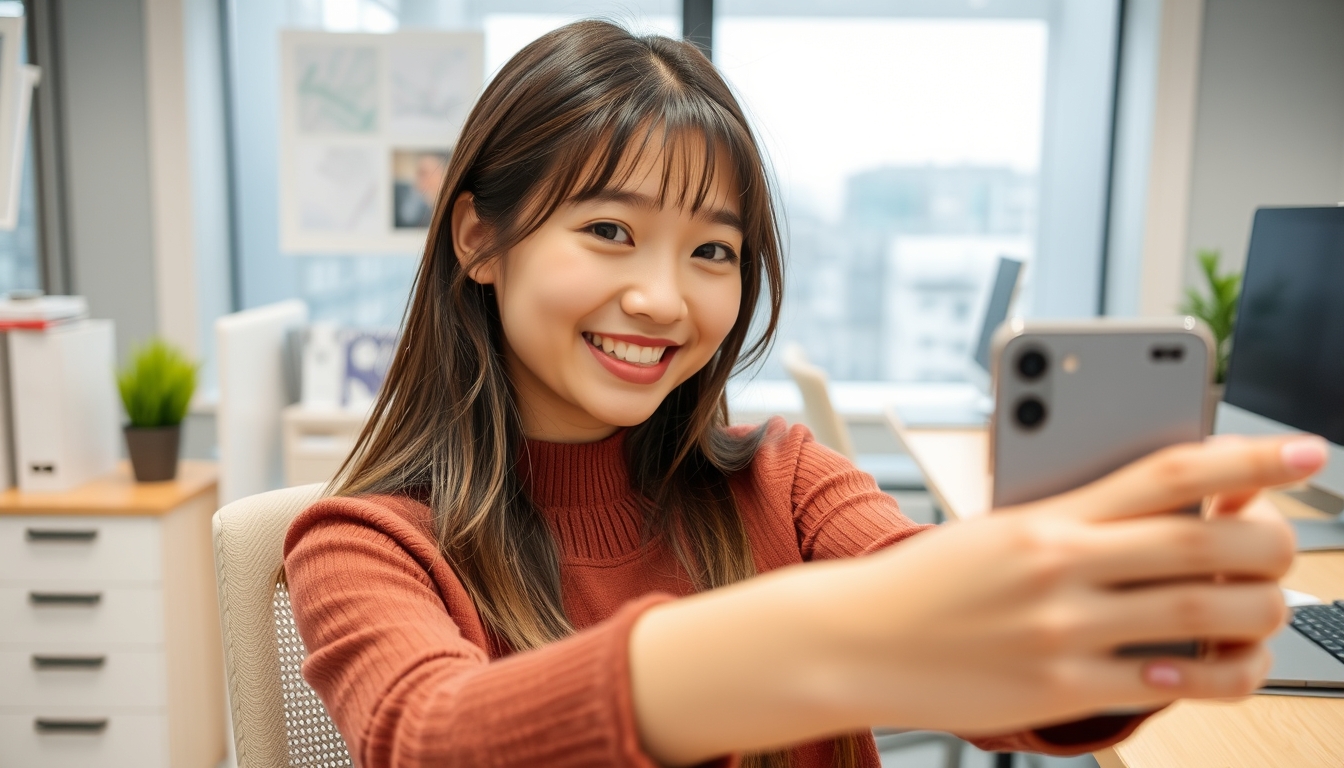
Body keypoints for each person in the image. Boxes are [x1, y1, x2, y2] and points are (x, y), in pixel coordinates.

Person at [284, 20, 1320, 768]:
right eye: (609, 231)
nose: (663, 298)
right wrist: (831, 638)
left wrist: (1105, 642)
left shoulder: (782, 479)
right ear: (479, 239)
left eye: (713, 251)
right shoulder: (365, 544)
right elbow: (432, 735)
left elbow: (971, 647)